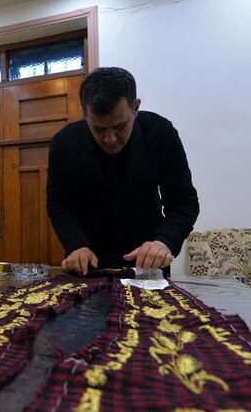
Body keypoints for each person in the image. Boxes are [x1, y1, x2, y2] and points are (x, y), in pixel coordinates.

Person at [46, 67, 199, 276]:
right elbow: (59, 204)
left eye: (120, 126)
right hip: (88, 267)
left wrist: (164, 241)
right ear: (84, 112)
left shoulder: (161, 134)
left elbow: (184, 202)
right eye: (98, 129)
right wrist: (75, 244)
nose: (110, 139)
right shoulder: (63, 144)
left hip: (147, 266)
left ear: (135, 108)